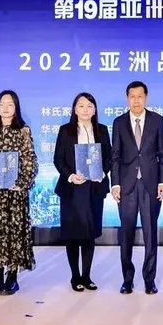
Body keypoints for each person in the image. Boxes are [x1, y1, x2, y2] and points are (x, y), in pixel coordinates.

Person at [0, 90, 38, 295]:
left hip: (15, 193)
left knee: (14, 233)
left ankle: (12, 276)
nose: (5, 107)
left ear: (16, 107)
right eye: (2, 103)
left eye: (10, 104)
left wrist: (21, 183)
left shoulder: (23, 131)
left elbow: (30, 160)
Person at [111, 81, 163, 295]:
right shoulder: (119, 122)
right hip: (126, 186)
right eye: (132, 96)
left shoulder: (157, 120)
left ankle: (149, 280)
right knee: (126, 234)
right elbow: (115, 157)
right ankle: (127, 280)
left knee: (150, 234)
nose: (136, 100)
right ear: (127, 98)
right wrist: (115, 184)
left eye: (140, 96)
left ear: (146, 97)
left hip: (150, 185)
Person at [54, 92, 112, 292]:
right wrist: (70, 175)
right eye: (81, 105)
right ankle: (75, 276)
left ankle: (87, 276)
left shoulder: (102, 130)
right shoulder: (66, 130)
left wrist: (102, 172)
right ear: (75, 109)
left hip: (94, 188)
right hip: (72, 188)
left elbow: (109, 157)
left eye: (89, 106)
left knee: (89, 233)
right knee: (73, 234)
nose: (85, 109)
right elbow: (58, 159)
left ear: (95, 110)